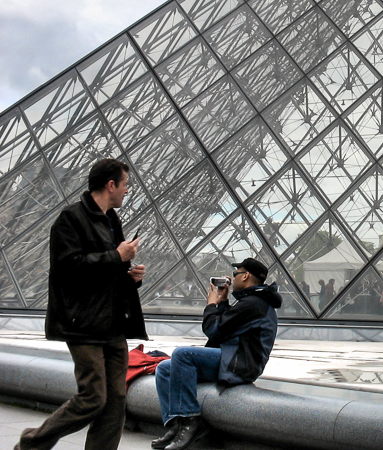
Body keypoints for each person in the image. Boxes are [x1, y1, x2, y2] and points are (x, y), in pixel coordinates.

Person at [17, 158, 147, 450]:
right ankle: (32, 443)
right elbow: (67, 268)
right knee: (93, 398)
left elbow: (109, 272)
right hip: (84, 323)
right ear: (110, 185)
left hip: (114, 323)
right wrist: (117, 257)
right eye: (125, 185)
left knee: (116, 402)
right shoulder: (71, 219)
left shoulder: (112, 220)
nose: (128, 191)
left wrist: (131, 276)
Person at [152, 258, 280, 450]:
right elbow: (230, 328)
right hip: (233, 357)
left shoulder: (253, 304)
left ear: (245, 276)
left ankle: (191, 421)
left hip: (239, 364)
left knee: (182, 355)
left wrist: (211, 305)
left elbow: (214, 330)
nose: (233, 278)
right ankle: (174, 425)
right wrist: (224, 302)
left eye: (236, 274)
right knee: (164, 368)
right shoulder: (253, 302)